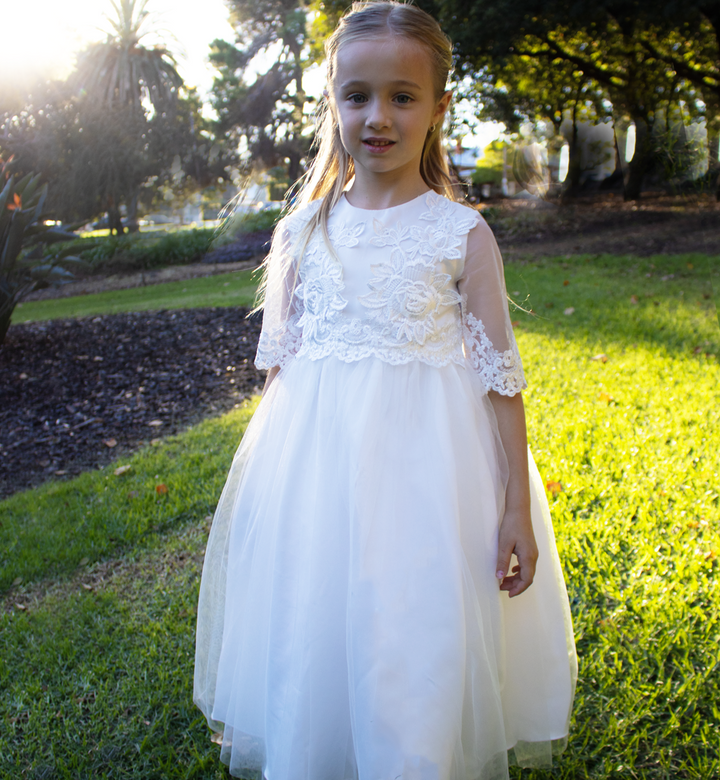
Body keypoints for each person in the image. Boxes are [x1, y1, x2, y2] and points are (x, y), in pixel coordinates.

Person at [194, 3, 577, 779]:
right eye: (357, 94)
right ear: (331, 99)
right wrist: (268, 499)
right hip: (321, 476)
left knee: (413, 628)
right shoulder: (303, 230)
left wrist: (511, 507)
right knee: (318, 622)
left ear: (438, 107)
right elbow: (282, 372)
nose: (378, 116)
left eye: (403, 96)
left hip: (431, 479)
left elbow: (500, 378)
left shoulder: (460, 234)